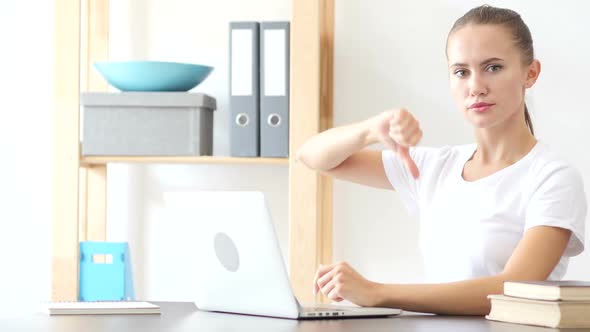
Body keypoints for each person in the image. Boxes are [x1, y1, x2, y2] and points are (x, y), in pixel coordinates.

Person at [296, 4, 587, 315]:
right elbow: (312, 156)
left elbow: (512, 288)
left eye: (493, 67)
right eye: (461, 72)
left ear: (530, 73)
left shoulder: (553, 177)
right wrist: (371, 130)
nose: (476, 87)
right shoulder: (436, 166)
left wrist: (377, 292)